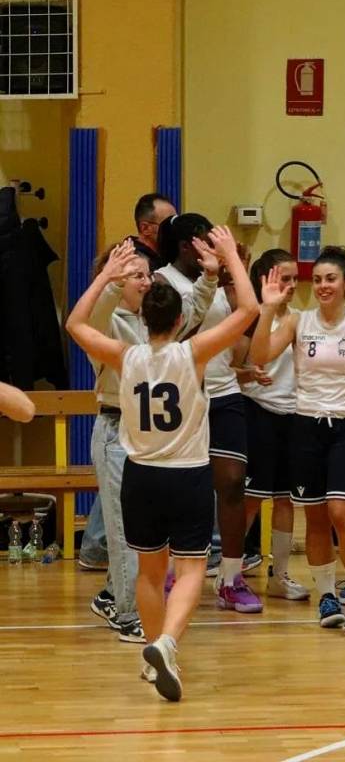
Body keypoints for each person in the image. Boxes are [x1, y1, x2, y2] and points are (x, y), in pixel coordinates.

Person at [66, 228, 258, 701]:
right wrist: (233, 257)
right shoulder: (193, 352)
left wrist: (105, 278)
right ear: (180, 320)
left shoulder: (124, 355)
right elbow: (251, 311)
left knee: (150, 574)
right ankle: (168, 643)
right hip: (187, 473)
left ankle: (154, 652)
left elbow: (74, 324)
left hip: (140, 475)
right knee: (191, 571)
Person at [250, 246, 345, 634]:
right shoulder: (299, 321)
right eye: (317, 280)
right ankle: (328, 595)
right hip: (306, 426)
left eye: (331, 279)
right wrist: (266, 309)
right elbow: (259, 354)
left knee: (342, 511)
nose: (323, 285)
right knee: (313, 515)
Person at [85, 238, 219, 642]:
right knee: (128, 534)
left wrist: (211, 274)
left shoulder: (152, 319)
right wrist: (109, 279)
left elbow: (191, 308)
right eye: (136, 275)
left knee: (132, 534)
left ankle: (116, 594)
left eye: (147, 274)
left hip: (147, 435)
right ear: (114, 282)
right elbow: (84, 320)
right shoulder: (108, 322)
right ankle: (129, 613)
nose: (146, 281)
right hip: (117, 429)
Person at [157, 214, 262, 613]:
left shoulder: (220, 279)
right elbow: (179, 332)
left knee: (233, 482)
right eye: (207, 241)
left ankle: (231, 578)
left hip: (224, 391)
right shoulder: (163, 281)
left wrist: (237, 274)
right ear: (188, 246)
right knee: (181, 488)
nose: (215, 248)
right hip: (185, 397)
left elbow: (246, 322)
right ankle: (169, 569)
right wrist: (215, 277)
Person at [234, 248, 309, 601]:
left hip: (292, 417)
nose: (292, 285)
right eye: (285, 278)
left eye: (295, 278)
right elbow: (234, 367)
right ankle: (229, 575)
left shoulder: (299, 320)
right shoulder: (248, 319)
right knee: (249, 500)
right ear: (265, 280)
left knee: (285, 500)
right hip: (256, 413)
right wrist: (247, 371)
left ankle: (279, 575)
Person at [130, 193, 177, 273]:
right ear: (145, 228)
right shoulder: (131, 261)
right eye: (168, 224)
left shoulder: (168, 256)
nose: (175, 229)